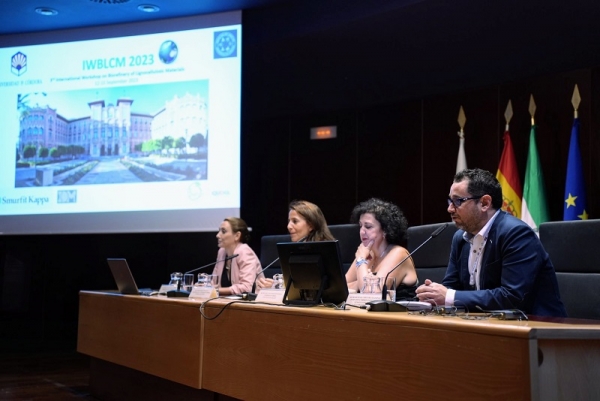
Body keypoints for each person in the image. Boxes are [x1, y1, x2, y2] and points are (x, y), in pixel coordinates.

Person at [415, 168, 567, 317]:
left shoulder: (516, 234)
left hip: (540, 328)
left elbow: (512, 297)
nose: (450, 209)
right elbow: (451, 287)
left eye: (458, 201)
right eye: (450, 201)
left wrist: (448, 296)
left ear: (485, 203)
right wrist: (433, 295)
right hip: (487, 324)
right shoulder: (460, 238)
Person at [345, 198, 418, 299]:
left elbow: (372, 295)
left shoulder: (399, 253)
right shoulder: (366, 252)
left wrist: (361, 260)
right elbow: (341, 288)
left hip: (401, 313)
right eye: (361, 226)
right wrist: (359, 283)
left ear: (385, 230)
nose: (362, 232)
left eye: (368, 227)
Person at [256, 200, 334, 289]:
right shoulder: (295, 249)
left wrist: (278, 286)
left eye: (295, 221)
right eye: (289, 221)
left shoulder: (324, 250)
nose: (289, 226)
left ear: (311, 225)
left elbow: (313, 283)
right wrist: (275, 284)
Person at [212, 217, 263, 296]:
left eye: (223, 231)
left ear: (237, 235)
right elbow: (214, 282)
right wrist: (203, 287)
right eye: (219, 231)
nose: (217, 235)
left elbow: (246, 288)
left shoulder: (245, 252)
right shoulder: (222, 252)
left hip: (251, 303)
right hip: (226, 302)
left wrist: (216, 290)